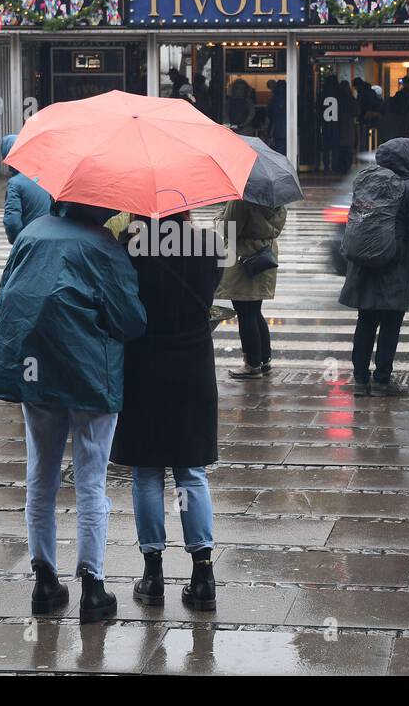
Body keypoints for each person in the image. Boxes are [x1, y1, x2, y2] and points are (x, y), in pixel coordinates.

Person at [0, 201, 147, 623]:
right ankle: (93, 587)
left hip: (34, 370)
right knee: (91, 481)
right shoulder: (103, 245)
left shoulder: (32, 232)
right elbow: (130, 320)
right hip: (89, 376)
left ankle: (44, 582)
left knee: (40, 475)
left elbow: (6, 298)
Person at [112, 213, 222, 611]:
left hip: (144, 368)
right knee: (191, 471)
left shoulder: (129, 247)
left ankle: (153, 573)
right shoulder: (208, 245)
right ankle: (203, 574)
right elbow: (210, 293)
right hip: (193, 366)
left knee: (146, 472)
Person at [340, 138, 409, 397]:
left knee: (365, 322)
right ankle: (383, 380)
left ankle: (360, 380)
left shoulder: (365, 180)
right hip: (394, 265)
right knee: (390, 324)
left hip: (363, 265)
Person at [215, 197, 286, 379]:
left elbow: (229, 230)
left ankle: (252, 364)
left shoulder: (240, 199)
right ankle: (264, 360)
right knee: (254, 310)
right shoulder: (275, 199)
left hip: (243, 258)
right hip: (264, 254)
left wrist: (219, 216)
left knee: (245, 312)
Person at [1, 134, 52, 244]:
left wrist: (18, 242)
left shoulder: (15, 183)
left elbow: (12, 222)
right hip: (53, 238)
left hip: (30, 242)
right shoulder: (49, 176)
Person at [267, 80, 287, 154]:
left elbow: (270, 114)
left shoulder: (274, 99)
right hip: (289, 130)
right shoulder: (290, 97)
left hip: (278, 131)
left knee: (279, 153)